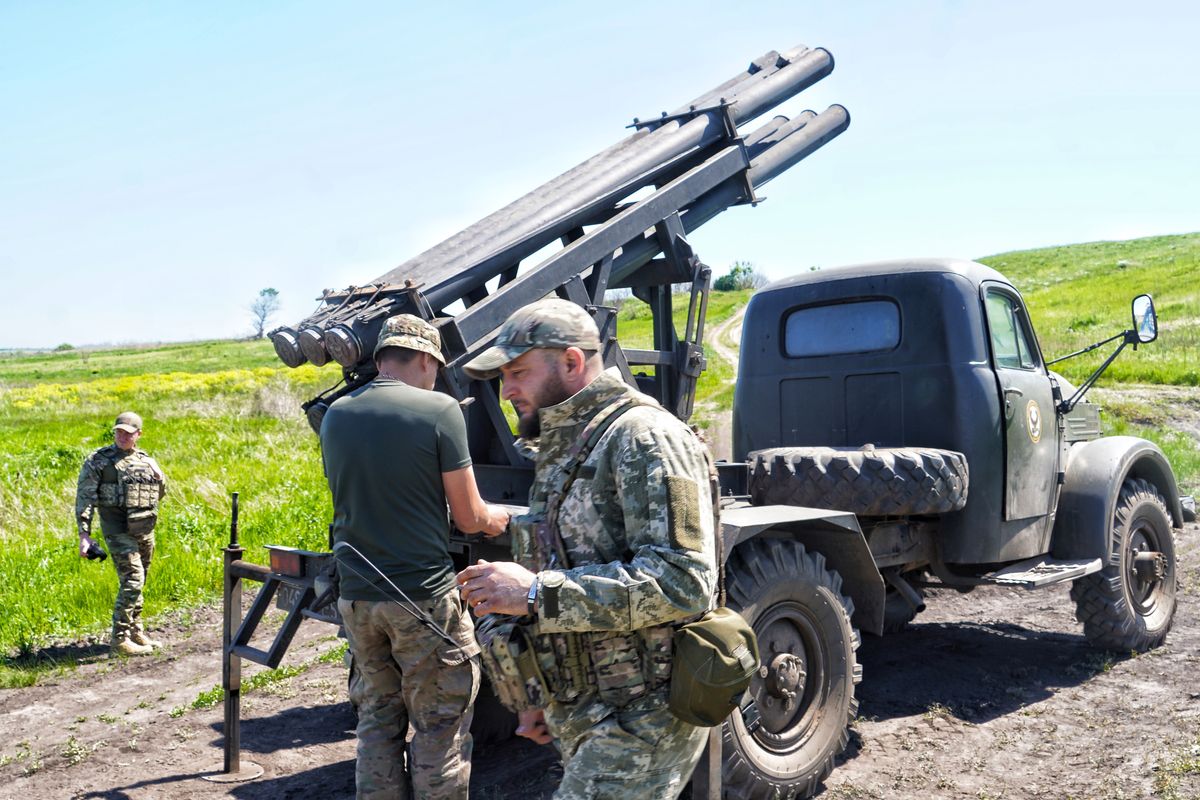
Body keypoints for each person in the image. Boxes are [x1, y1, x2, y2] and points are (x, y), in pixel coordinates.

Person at [456, 298, 718, 800]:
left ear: (572, 362)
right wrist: (538, 693)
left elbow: (684, 583)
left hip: (642, 713)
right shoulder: (569, 442)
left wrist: (534, 594)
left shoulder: (644, 438)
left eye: (518, 372)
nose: (507, 389)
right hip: (586, 705)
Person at [320, 313, 510, 800]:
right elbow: (468, 518)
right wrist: (498, 521)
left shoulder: (337, 414)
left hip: (359, 599)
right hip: (422, 601)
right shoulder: (439, 411)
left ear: (381, 357)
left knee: (377, 719)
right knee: (439, 727)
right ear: (426, 360)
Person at [75, 411, 168, 657]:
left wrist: (160, 477)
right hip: (117, 529)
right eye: (118, 432)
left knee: (141, 580)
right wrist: (84, 534)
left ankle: (135, 630)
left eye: (128, 433)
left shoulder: (146, 459)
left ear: (138, 434)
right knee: (133, 579)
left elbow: (157, 494)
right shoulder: (99, 460)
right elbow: (84, 498)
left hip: (144, 528)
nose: (122, 437)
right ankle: (119, 640)